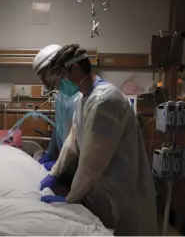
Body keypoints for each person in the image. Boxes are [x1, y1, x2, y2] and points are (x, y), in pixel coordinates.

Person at [39, 44, 158, 235]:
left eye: (61, 78)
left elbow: (91, 163)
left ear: (75, 69)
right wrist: (55, 172)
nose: (60, 85)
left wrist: (70, 199)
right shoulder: (85, 98)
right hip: (104, 191)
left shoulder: (105, 101)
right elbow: (73, 141)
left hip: (122, 194)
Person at [32, 44, 80, 172]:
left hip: (82, 169)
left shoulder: (81, 99)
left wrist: (58, 170)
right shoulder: (60, 96)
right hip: (67, 166)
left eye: (43, 74)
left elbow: (81, 146)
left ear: (58, 70)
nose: (42, 80)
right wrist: (49, 154)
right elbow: (58, 129)